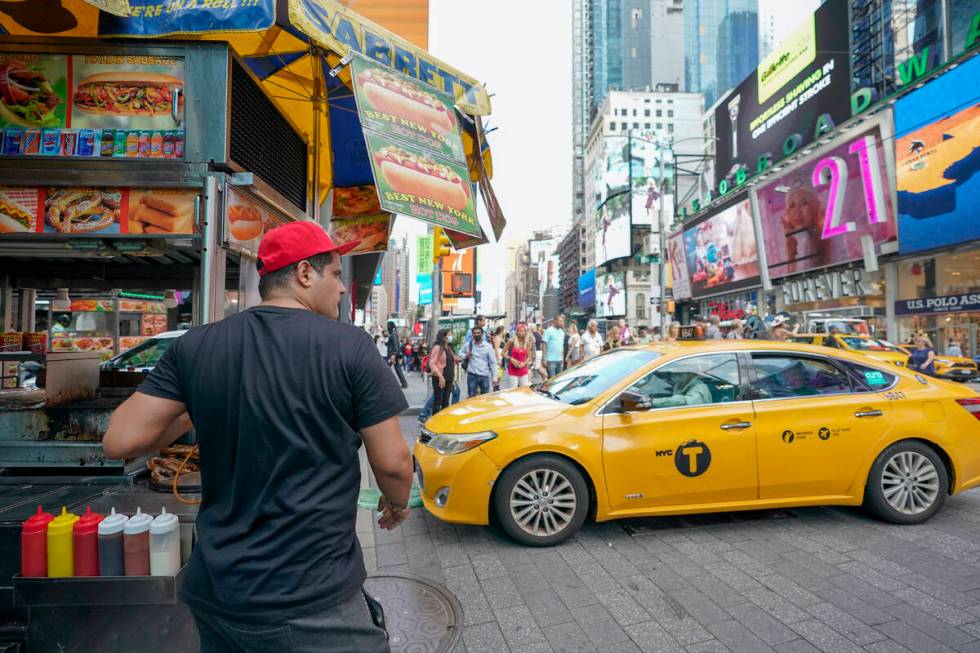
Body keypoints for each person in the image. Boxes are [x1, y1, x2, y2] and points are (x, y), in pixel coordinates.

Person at [102, 222, 411, 652]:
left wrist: (201, 397)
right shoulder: (351, 347)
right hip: (314, 601)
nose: (342, 289)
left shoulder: (196, 346)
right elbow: (394, 461)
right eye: (337, 274)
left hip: (220, 596)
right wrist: (396, 502)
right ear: (305, 274)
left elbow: (120, 439)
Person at [461, 325, 498, 397]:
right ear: (472, 334)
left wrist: (495, 377)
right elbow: (459, 354)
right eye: (474, 333)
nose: (476, 334)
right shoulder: (468, 345)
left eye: (478, 333)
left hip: (484, 376)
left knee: (485, 397)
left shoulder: (488, 346)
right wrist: (466, 356)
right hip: (472, 375)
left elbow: (493, 363)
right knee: (471, 397)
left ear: (482, 334)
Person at [429, 328, 456, 412]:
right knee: (438, 401)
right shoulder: (438, 347)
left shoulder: (449, 347)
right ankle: (435, 422)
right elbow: (432, 363)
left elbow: (450, 361)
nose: (451, 336)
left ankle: (443, 423)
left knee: (446, 402)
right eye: (449, 335)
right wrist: (440, 376)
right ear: (444, 337)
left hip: (449, 378)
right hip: (440, 377)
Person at [503, 322, 534, 389]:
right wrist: (511, 359)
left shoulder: (527, 342)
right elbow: (503, 353)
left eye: (524, 331)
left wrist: (524, 363)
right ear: (517, 331)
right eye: (520, 330)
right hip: (513, 369)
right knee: (513, 390)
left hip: (523, 369)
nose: (522, 332)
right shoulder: (512, 341)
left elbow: (529, 357)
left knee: (524, 390)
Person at [387, 321, 408, 389]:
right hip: (393, 354)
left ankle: (402, 383)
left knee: (387, 368)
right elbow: (393, 344)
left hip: (393, 355)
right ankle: (404, 383)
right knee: (397, 369)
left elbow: (396, 345)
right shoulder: (393, 333)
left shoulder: (393, 334)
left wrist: (394, 354)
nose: (387, 326)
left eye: (388, 325)